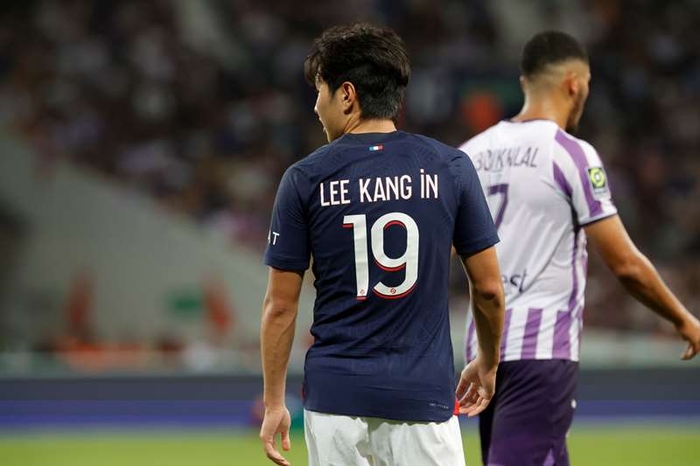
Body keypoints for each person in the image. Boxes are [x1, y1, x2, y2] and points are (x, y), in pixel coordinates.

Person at [259, 23, 505, 466]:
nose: (315, 106)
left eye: (320, 90)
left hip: (335, 399)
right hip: (423, 398)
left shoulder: (304, 179)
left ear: (346, 95)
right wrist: (487, 362)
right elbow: (488, 290)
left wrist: (274, 402)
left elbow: (280, 306)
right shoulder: (450, 167)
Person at [458, 30, 700, 466]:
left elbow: (447, 253)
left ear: (524, 83)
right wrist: (683, 320)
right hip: (541, 350)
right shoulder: (570, 153)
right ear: (575, 84)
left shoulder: (468, 155)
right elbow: (624, 264)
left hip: (482, 350)